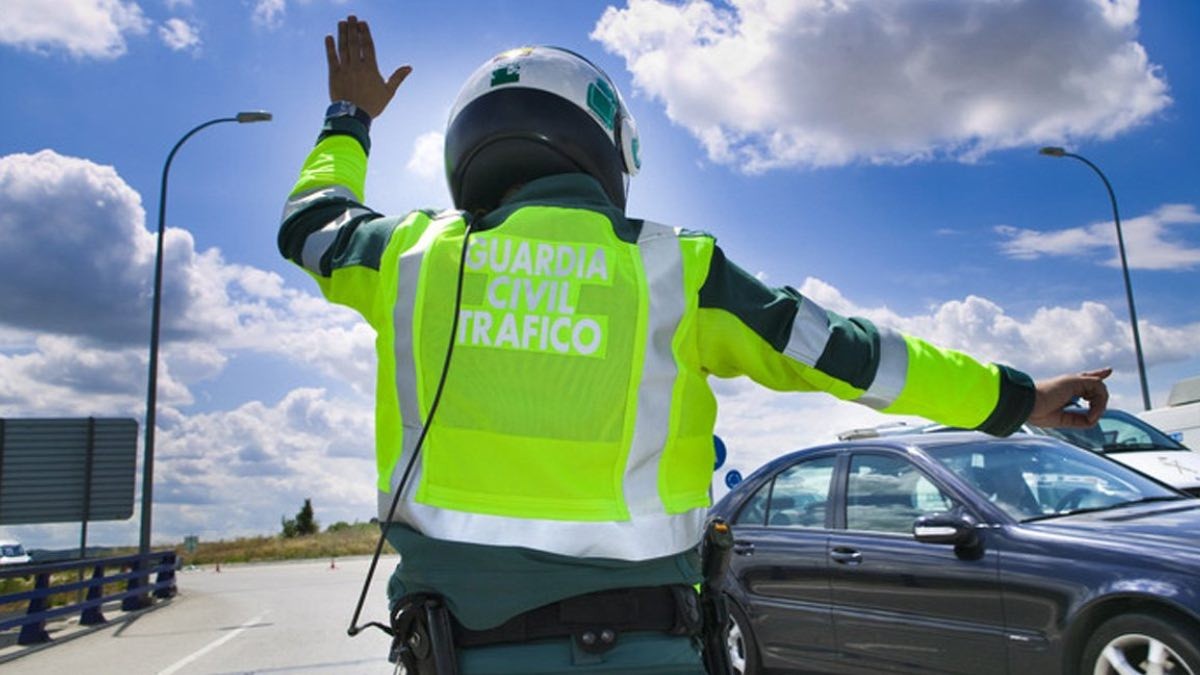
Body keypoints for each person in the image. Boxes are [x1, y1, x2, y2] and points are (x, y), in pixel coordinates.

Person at [278, 15, 1111, 674]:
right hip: (647, 646)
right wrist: (1017, 396)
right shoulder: (679, 269)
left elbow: (310, 224)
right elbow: (855, 355)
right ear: (608, 149)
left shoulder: (409, 258)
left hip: (457, 648)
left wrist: (348, 117)